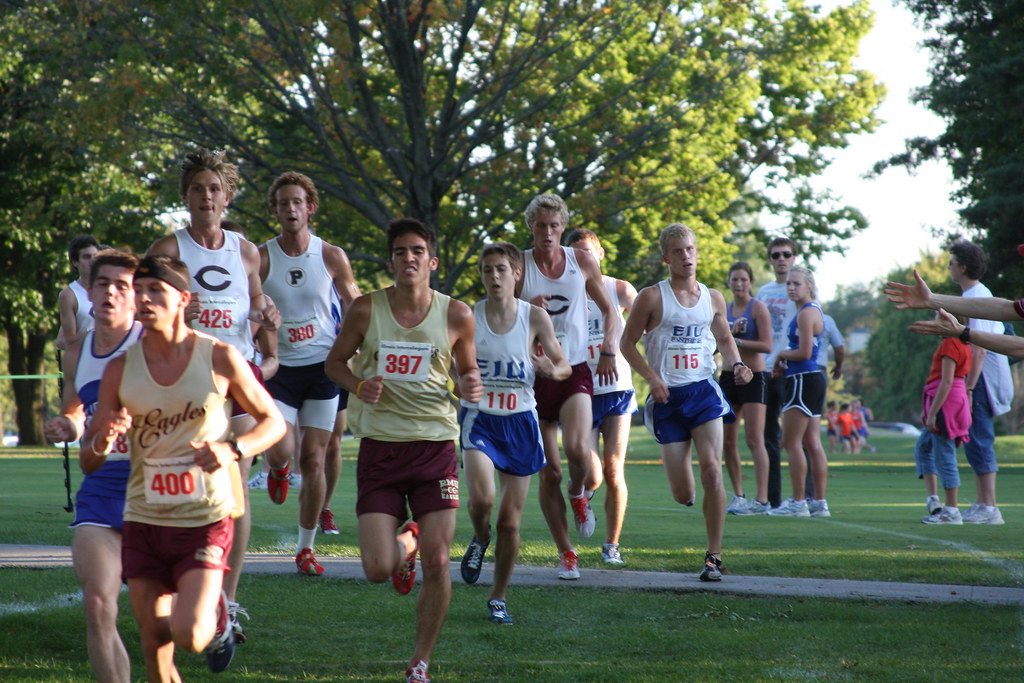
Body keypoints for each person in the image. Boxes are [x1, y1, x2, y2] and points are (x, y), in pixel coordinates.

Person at [79, 255, 285, 680]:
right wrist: (105, 435)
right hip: (144, 517)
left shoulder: (221, 357)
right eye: (141, 290)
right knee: (155, 644)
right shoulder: (120, 369)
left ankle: (218, 616)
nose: (145, 298)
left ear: (183, 299)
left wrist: (233, 449)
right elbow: (89, 460)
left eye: (157, 290)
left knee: (190, 635)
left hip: (203, 517)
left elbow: (274, 422)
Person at [324, 218, 482, 683]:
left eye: (417, 251)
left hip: (434, 448)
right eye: (399, 252)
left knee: (438, 560)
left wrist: (468, 383)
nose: (408, 258)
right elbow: (334, 363)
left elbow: (465, 374)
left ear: (432, 261)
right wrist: (358, 384)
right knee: (376, 569)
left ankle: (419, 663)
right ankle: (407, 538)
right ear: (391, 261)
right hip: (380, 449)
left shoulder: (457, 314)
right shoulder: (364, 310)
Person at [146, 148, 280, 638]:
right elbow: (149, 314)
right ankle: (189, 581)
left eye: (215, 189)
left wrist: (270, 326)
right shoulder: (168, 249)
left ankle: (228, 600)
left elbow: (260, 305)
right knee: (192, 486)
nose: (207, 196)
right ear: (185, 196)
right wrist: (176, 308)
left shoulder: (245, 250)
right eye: (198, 189)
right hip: (188, 376)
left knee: (235, 489)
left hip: (238, 372)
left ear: (227, 197)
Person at [620, 223, 752, 581]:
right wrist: (652, 378)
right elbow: (626, 344)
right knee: (683, 493)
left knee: (712, 469)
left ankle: (713, 556)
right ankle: (689, 495)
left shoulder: (713, 297)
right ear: (666, 257)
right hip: (667, 399)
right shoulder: (652, 297)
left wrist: (737, 364)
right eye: (678, 251)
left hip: (703, 392)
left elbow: (724, 338)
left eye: (690, 249)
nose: (686, 256)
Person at [44, 250, 142, 683]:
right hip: (101, 484)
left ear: (136, 296)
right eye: (104, 284)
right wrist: (66, 424)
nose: (111, 293)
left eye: (123, 285)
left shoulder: (152, 341)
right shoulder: (79, 350)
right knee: (99, 604)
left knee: (166, 625)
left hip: (156, 489)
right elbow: (77, 409)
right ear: (90, 290)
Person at [458, 242, 570, 624]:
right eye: (487, 270)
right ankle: (479, 536)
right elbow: (452, 369)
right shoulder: (468, 316)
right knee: (482, 500)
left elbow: (563, 365)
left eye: (501, 269)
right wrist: (460, 386)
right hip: (482, 419)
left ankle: (498, 597)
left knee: (510, 522)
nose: (494, 277)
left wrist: (551, 371)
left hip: (522, 422)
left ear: (516, 273)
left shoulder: (535, 316)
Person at [258, 172, 360, 575]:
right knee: (283, 451)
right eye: (283, 203)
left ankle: (305, 548)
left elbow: (354, 303)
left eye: (297, 202)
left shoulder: (331, 255)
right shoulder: (262, 257)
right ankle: (279, 470)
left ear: (310, 207)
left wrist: (360, 344)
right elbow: (247, 303)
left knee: (314, 458)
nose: (290, 209)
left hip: (322, 367)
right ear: (276, 211)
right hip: (280, 367)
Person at [515, 194, 620, 580]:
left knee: (579, 451)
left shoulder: (581, 261)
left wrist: (609, 348)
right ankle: (567, 553)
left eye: (554, 226)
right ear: (531, 227)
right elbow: (499, 312)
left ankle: (580, 495)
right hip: (531, 377)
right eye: (541, 226)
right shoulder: (520, 267)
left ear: (562, 226)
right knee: (550, 472)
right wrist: (526, 305)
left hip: (573, 368)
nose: (548, 233)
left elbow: (610, 310)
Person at [889, 241, 1012, 525]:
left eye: (952, 262)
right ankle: (983, 504)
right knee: (973, 442)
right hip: (975, 379)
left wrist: (968, 387)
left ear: (963, 266)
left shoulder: (978, 295)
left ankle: (989, 506)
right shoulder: (971, 294)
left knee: (979, 439)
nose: (949, 267)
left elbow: (979, 347)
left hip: (979, 379)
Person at [564, 228, 638, 563]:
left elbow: (647, 324)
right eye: (575, 253)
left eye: (587, 251)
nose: (582, 258)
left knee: (613, 469)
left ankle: (611, 546)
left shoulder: (618, 288)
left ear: (601, 253)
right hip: (581, 389)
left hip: (618, 387)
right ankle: (579, 493)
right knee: (591, 471)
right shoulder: (564, 292)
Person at [767, 266, 829, 518]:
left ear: (809, 287)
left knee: (791, 442)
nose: (791, 288)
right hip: (812, 379)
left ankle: (798, 502)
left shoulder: (806, 313)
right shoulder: (812, 311)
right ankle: (819, 503)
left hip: (802, 379)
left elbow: (804, 353)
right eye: (789, 284)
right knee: (812, 442)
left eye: (796, 284)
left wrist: (781, 354)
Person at [718, 261, 772, 516]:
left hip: (754, 376)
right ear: (728, 282)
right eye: (734, 279)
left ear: (750, 282)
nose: (739, 284)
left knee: (753, 439)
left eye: (743, 279)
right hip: (728, 377)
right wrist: (729, 331)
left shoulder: (758, 308)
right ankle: (738, 495)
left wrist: (737, 338)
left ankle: (761, 499)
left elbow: (767, 346)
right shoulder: (723, 309)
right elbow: (715, 345)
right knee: (727, 441)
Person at [915, 314, 973, 524]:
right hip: (952, 398)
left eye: (937, 320)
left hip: (947, 401)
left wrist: (932, 413)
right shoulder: (964, 342)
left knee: (944, 455)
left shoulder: (951, 342)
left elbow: (947, 381)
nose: (933, 324)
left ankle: (952, 510)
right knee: (924, 447)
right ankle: (934, 501)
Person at [755, 237, 798, 509]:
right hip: (766, 371)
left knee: (798, 439)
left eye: (786, 254)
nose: (781, 259)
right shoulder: (764, 292)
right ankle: (773, 500)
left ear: (794, 258)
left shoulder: (803, 289)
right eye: (776, 255)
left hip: (794, 371)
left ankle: (805, 499)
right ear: (770, 259)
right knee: (769, 436)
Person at [56, 235, 101, 350]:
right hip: (86, 359)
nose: (92, 261)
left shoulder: (111, 289)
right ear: (75, 262)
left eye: (95, 256)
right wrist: (99, 332)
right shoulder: (69, 295)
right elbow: (69, 341)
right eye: (87, 257)